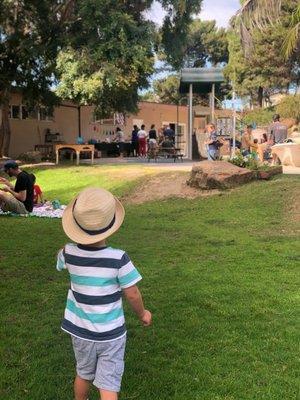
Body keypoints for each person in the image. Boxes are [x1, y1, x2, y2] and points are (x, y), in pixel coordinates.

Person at [56, 187, 152, 400]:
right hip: (111, 334)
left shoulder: (68, 252)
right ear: (112, 226)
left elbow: (60, 259)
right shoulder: (118, 258)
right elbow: (133, 294)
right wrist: (143, 313)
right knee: (108, 382)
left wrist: (66, 248)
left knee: (83, 373)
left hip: (80, 331)